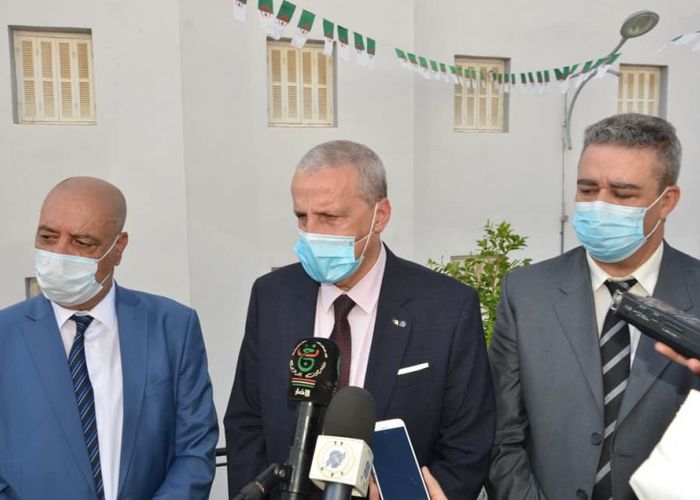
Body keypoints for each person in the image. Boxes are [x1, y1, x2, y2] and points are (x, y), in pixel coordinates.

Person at [224, 140, 495, 499]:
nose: (312, 232)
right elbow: (246, 422)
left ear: (380, 215)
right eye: (301, 216)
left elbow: (469, 442)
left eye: (330, 217)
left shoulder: (447, 307)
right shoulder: (272, 296)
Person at [487, 113, 700, 500]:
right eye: (587, 190)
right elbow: (502, 435)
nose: (599, 206)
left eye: (622, 194)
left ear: (666, 201)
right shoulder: (526, 292)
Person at [0, 177, 218, 499]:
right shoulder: (6, 335)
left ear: (118, 247)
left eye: (82, 242)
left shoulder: (172, 326)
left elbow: (194, 449)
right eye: (48, 237)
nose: (60, 253)